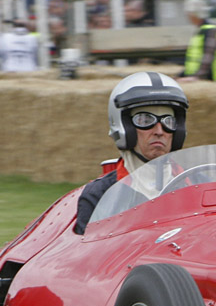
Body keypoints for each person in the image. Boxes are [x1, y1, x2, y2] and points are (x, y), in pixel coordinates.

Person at [74, 72, 190, 235]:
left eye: (167, 121)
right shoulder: (100, 195)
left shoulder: (196, 184)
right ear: (124, 128)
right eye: (145, 120)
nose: (159, 131)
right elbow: (89, 256)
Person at [179, 0, 216, 81]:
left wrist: (197, 77)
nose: (188, 17)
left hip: (203, 78)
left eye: (188, 14)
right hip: (194, 76)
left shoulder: (208, 30)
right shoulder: (201, 29)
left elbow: (208, 56)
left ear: (193, 15)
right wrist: (182, 75)